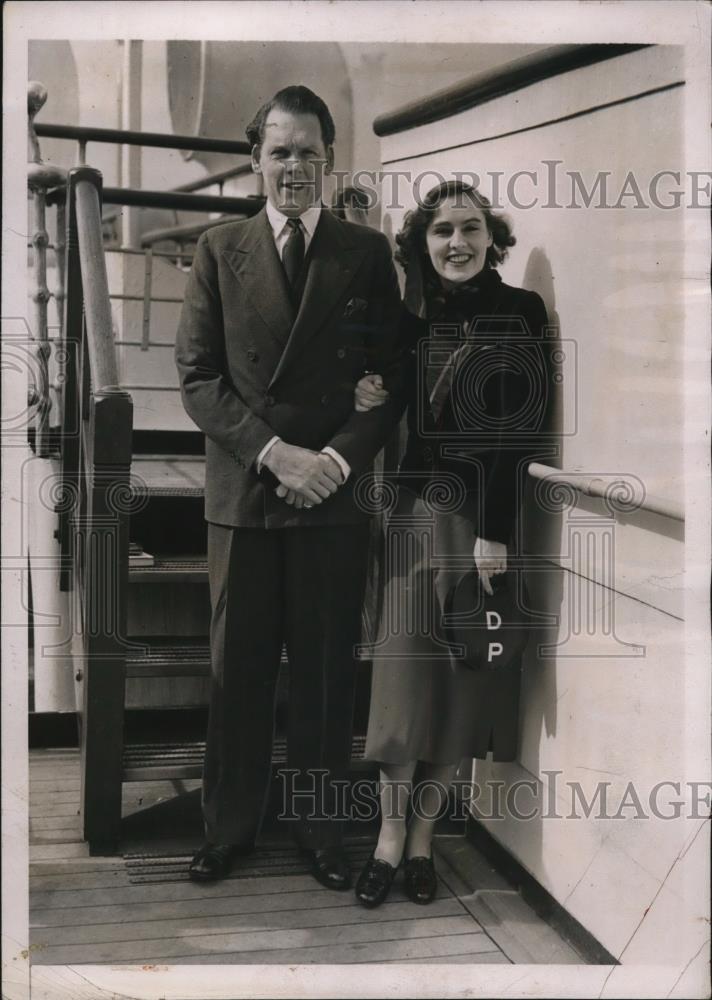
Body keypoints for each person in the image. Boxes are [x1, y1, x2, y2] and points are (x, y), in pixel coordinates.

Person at [175, 85, 402, 890]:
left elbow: (390, 376)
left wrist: (333, 464)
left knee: (324, 671)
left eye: (309, 151)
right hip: (247, 493)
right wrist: (277, 455)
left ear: (329, 160)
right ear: (255, 159)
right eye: (280, 151)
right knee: (237, 670)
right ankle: (227, 827)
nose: (294, 167)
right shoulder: (217, 249)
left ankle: (317, 827)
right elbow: (198, 380)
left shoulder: (366, 254)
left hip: (331, 500)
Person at [352, 180, 549, 907]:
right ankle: (386, 839)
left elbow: (517, 435)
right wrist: (367, 391)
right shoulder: (413, 321)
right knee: (403, 691)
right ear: (423, 244)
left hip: (476, 529)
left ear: (492, 239)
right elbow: (382, 395)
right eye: (442, 232)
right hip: (410, 520)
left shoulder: (518, 313)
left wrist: (495, 533)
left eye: (470, 229)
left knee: (459, 694)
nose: (457, 244)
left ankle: (425, 843)